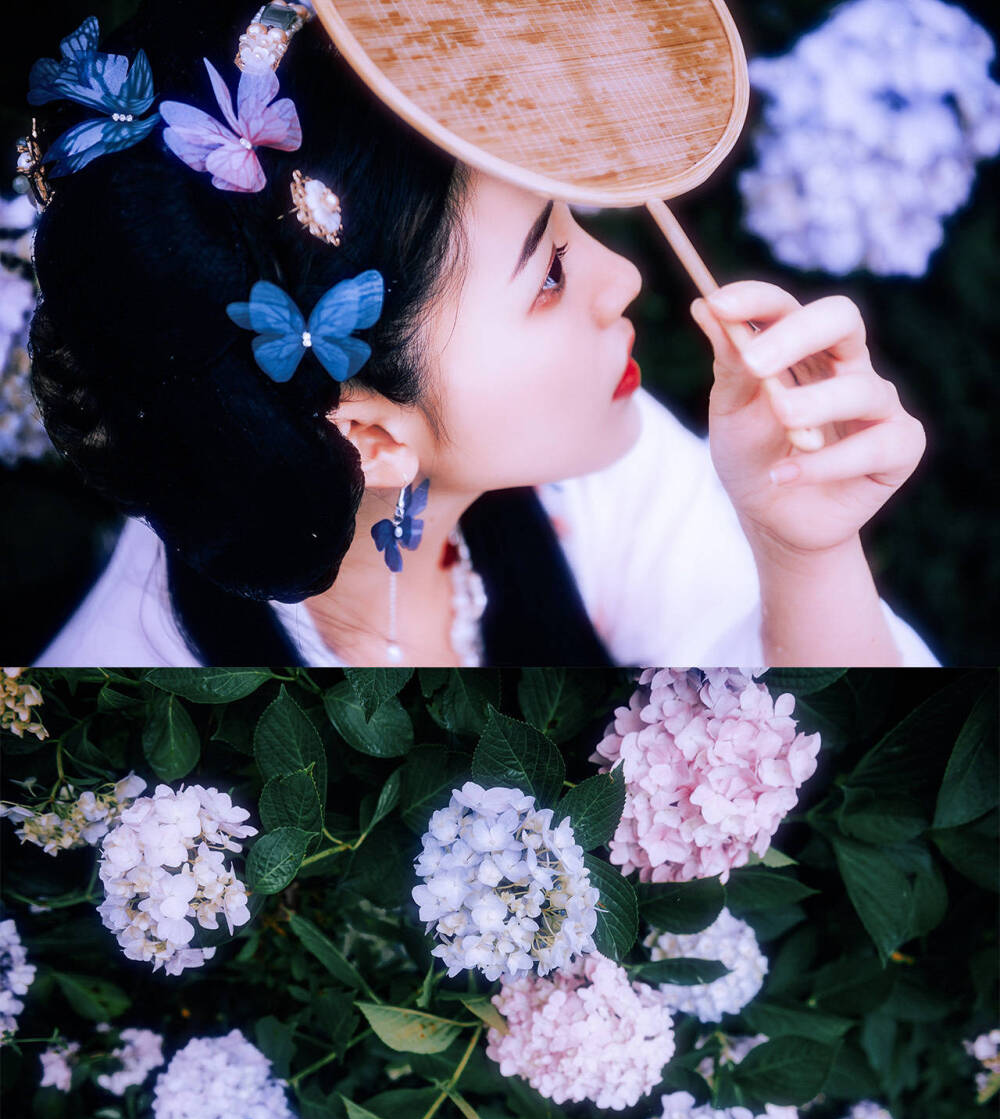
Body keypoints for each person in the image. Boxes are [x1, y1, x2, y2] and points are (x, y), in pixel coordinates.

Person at [25, 1, 936, 668]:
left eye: (571, 224)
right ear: (368, 434)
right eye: (547, 273)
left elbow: (819, 787)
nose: (621, 280)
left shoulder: (600, 481)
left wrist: (803, 555)